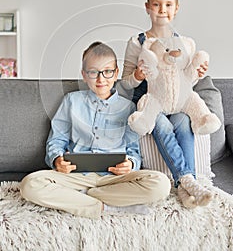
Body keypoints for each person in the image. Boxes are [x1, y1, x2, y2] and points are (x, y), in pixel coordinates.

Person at [20, 41, 171, 219]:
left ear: (115, 74)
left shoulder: (129, 108)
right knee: (30, 184)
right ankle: (104, 207)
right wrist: (57, 160)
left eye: (107, 72)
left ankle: (81, 197)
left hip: (113, 179)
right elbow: (56, 140)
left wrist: (130, 163)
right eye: (93, 72)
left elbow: (133, 150)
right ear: (84, 75)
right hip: (75, 176)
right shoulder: (71, 101)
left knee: (161, 184)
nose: (100, 79)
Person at [121, 0, 212, 208]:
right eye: (156, 4)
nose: (162, 10)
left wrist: (198, 71)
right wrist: (137, 76)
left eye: (168, 5)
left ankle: (185, 185)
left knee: (182, 122)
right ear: (147, 8)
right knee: (161, 125)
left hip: (178, 102)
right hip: (150, 103)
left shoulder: (185, 44)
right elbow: (125, 83)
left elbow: (186, 78)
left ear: (177, 8)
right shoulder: (137, 41)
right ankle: (187, 182)